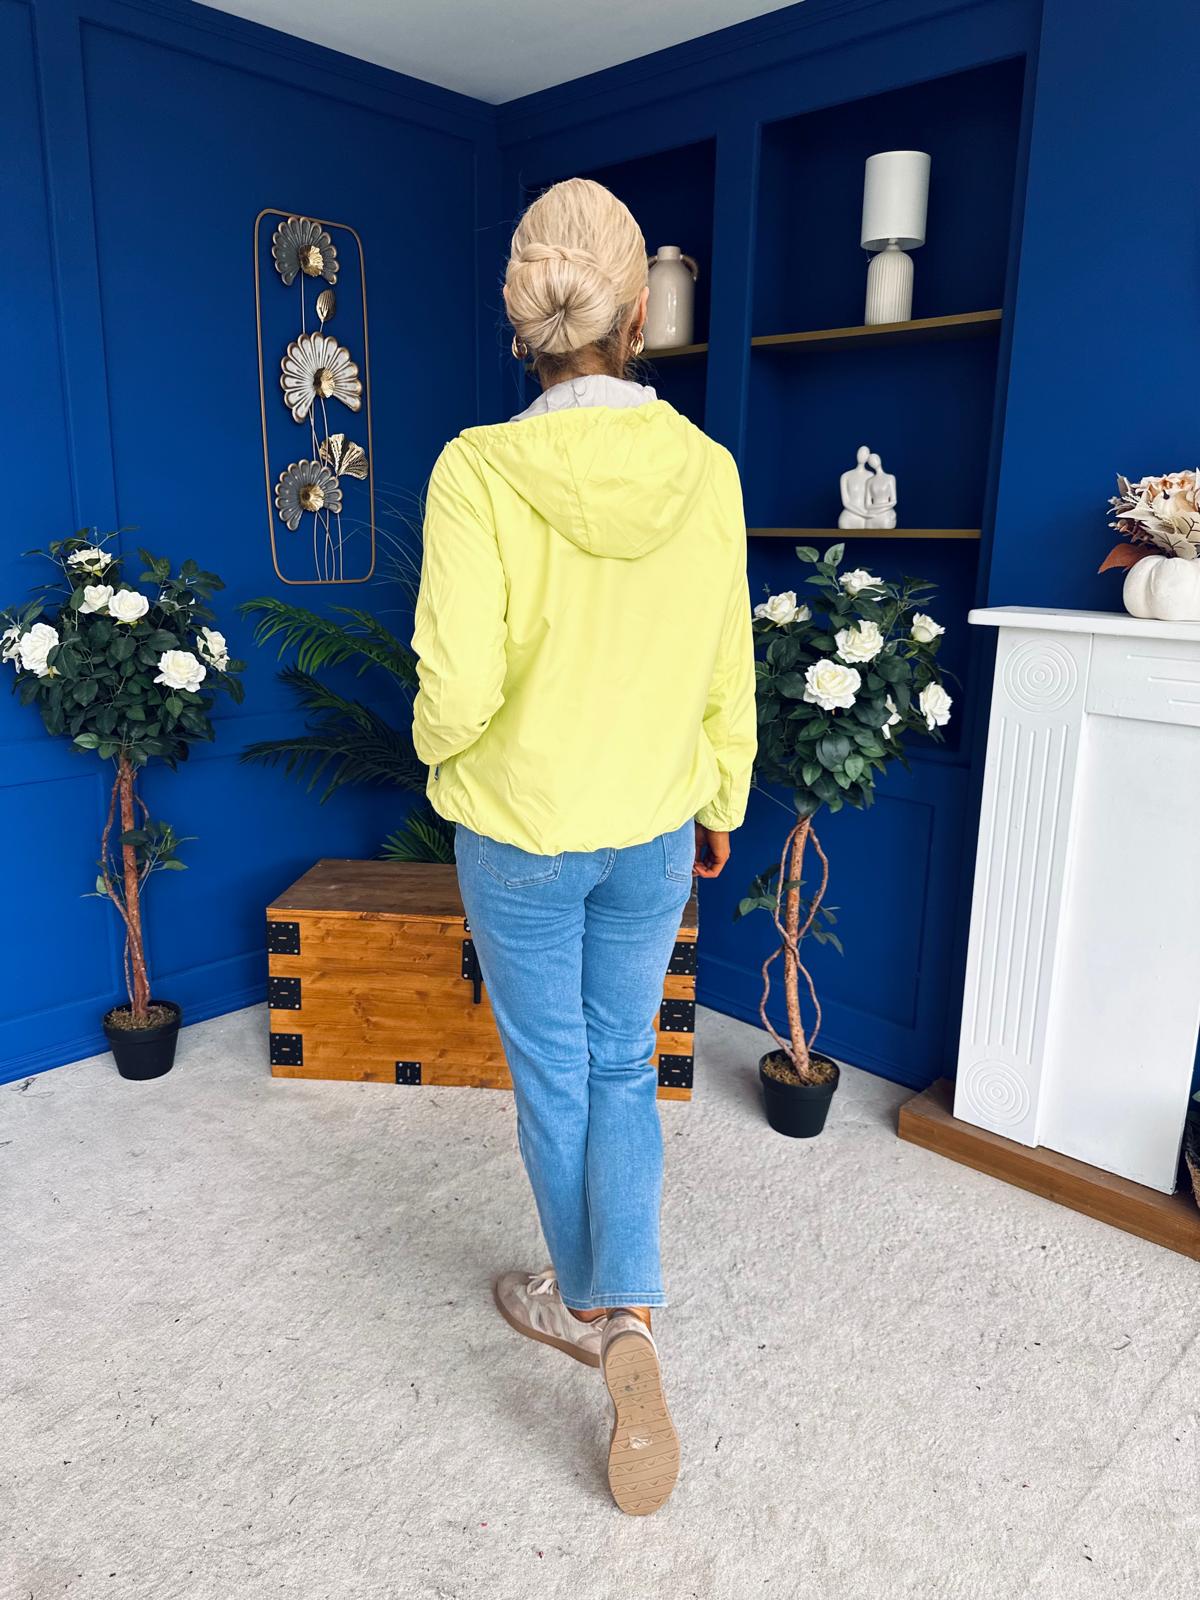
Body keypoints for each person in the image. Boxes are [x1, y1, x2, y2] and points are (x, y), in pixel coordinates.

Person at [410, 177, 756, 1516]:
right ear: (636, 319)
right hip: (656, 823)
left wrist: (444, 756)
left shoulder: (476, 470)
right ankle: (635, 1318)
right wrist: (721, 797)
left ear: (524, 327)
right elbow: (725, 663)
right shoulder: (708, 469)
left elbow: (457, 685)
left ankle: (587, 1304)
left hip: (522, 828)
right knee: (625, 1062)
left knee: (556, 1073)